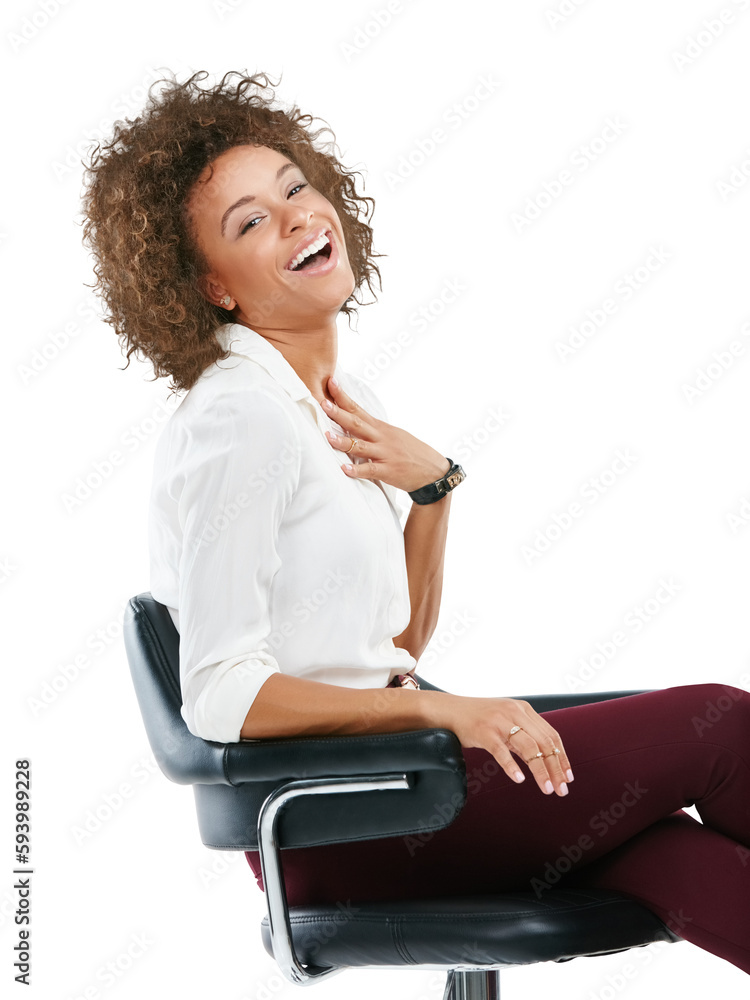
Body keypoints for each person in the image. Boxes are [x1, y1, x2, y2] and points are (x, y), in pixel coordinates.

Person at [81, 69, 750, 975]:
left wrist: (434, 493)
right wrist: (442, 709)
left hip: (400, 783)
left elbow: (387, 646)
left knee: (673, 856)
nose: (296, 217)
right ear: (211, 287)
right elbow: (221, 696)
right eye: (251, 222)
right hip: (343, 823)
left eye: (295, 187)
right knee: (722, 726)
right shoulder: (240, 418)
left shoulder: (335, 404)